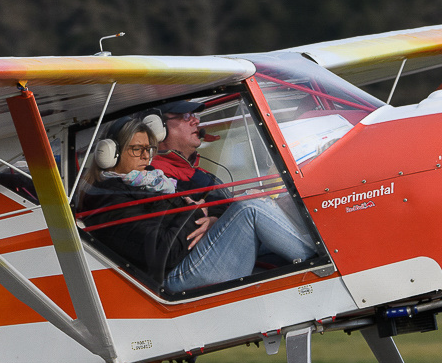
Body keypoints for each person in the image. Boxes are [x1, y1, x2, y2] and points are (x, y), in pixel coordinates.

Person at [75, 116, 317, 293]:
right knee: (250, 209)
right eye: (137, 150)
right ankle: (322, 261)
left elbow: (207, 202)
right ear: (110, 154)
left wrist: (211, 221)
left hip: (191, 256)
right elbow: (161, 253)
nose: (146, 158)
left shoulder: (155, 182)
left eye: (149, 150)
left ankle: (319, 247)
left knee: (255, 201)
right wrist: (193, 214)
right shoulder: (108, 198)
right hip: (176, 277)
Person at [151, 100, 223, 197]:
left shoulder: (190, 168)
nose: (197, 121)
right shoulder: (157, 174)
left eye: (193, 115)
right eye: (185, 116)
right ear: (158, 127)